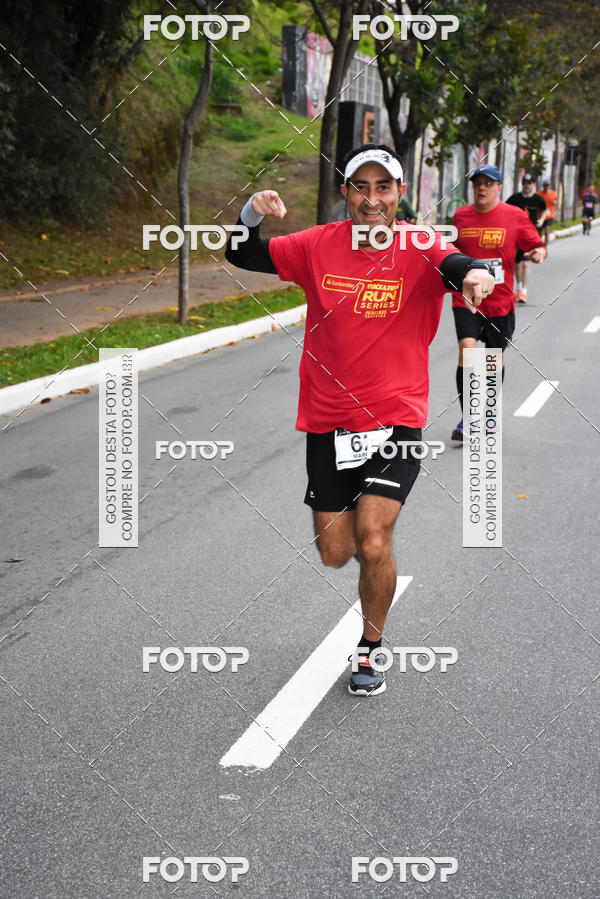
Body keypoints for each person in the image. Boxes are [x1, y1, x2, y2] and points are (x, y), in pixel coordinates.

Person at [225, 143, 495, 696]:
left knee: (374, 540)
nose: (373, 199)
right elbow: (244, 255)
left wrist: (475, 276)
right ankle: (363, 576)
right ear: (345, 191)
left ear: (401, 193)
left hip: (397, 420)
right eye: (361, 187)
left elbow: (456, 263)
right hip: (328, 421)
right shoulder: (317, 245)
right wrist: (251, 213)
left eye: (384, 187)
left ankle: (370, 649)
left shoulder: (419, 244)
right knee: (336, 552)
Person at [449, 164, 547, 442]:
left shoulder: (514, 216)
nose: (481, 188)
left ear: (499, 188)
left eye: (488, 183)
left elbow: (536, 244)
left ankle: (488, 412)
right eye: (477, 183)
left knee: (493, 358)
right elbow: (450, 253)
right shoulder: (460, 217)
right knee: (467, 349)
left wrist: (539, 252)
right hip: (467, 297)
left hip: (501, 299)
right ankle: (469, 417)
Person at [506, 174, 548, 302]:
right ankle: (519, 288)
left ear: (533, 184)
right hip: (516, 235)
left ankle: (524, 289)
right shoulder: (515, 198)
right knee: (518, 263)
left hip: (531, 235)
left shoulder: (538, 199)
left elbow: (546, 210)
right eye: (525, 183)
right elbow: (505, 210)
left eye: (529, 183)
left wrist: (541, 219)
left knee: (526, 262)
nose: (527, 185)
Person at [538, 180, 558, 244]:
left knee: (547, 230)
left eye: (547, 185)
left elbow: (555, 202)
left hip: (549, 215)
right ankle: (539, 244)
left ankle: (546, 244)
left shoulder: (553, 193)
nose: (546, 187)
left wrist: (555, 204)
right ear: (543, 186)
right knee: (540, 232)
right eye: (545, 185)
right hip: (540, 215)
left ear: (549, 186)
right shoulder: (539, 194)